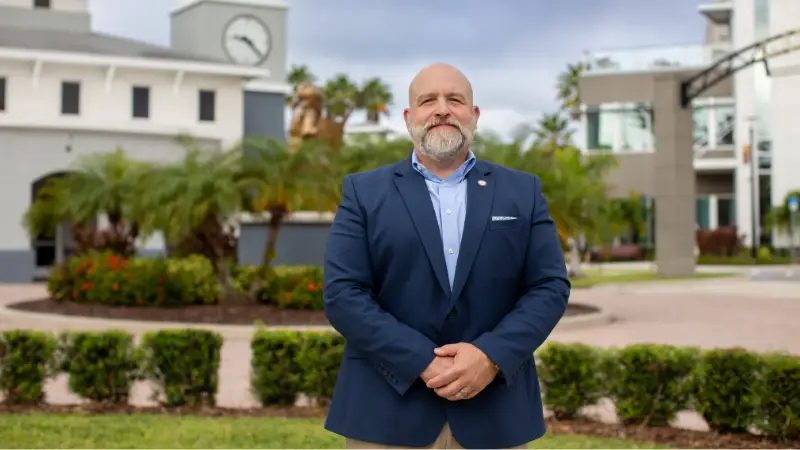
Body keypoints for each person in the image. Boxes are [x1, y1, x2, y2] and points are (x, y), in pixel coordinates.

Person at [322, 62, 570, 449]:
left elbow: (549, 286)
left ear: (474, 114)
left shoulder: (522, 191)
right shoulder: (363, 193)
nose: (442, 109)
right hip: (387, 416)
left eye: (455, 99)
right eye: (428, 101)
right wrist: (423, 360)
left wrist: (490, 356)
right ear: (409, 117)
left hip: (495, 415)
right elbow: (343, 294)